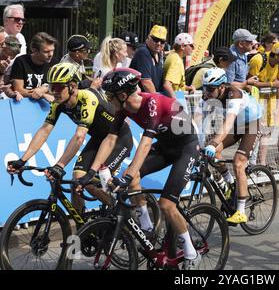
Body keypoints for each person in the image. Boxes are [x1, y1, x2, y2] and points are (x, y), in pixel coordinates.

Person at [97, 67, 202, 269]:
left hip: (186, 147)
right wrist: (94, 171)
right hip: (165, 146)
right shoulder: (123, 109)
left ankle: (191, 251)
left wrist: (126, 177)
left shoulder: (152, 102)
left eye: (110, 95)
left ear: (122, 94)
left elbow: (145, 144)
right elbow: (110, 139)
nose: (108, 99)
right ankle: (147, 228)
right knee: (132, 175)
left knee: (166, 205)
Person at [6, 63, 135, 217]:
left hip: (119, 139)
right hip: (99, 139)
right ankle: (83, 228)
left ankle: (123, 213)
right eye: (52, 87)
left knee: (92, 181)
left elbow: (79, 136)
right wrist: (23, 160)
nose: (54, 91)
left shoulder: (88, 98)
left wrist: (60, 165)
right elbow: (44, 131)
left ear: (72, 86)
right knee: (77, 179)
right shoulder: (58, 103)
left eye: (59, 87)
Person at [196, 67, 262, 224]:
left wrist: (212, 143)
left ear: (222, 87)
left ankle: (240, 211)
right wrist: (198, 142)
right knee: (214, 154)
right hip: (236, 125)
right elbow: (198, 118)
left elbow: (228, 123)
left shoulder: (234, 94)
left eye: (211, 89)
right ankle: (232, 184)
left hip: (250, 124)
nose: (207, 92)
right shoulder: (207, 95)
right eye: (205, 88)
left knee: (238, 162)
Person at [10, 32, 58, 102]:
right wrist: (42, 94)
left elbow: (57, 88)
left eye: (52, 50)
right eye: (46, 51)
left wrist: (45, 89)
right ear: (34, 50)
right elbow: (19, 90)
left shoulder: (55, 63)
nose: (51, 54)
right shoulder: (21, 62)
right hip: (24, 104)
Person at [129, 25, 167, 93]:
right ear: (149, 37)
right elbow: (146, 83)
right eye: (155, 39)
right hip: (142, 99)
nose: (159, 43)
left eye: (162, 41)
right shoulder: (143, 52)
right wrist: (157, 101)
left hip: (152, 97)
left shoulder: (159, 53)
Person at [162, 32, 195, 98]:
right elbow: (167, 84)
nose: (193, 48)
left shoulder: (173, 56)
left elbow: (175, 85)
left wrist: (187, 88)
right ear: (182, 46)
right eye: (191, 45)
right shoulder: (176, 61)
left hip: (178, 95)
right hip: (176, 97)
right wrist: (176, 102)